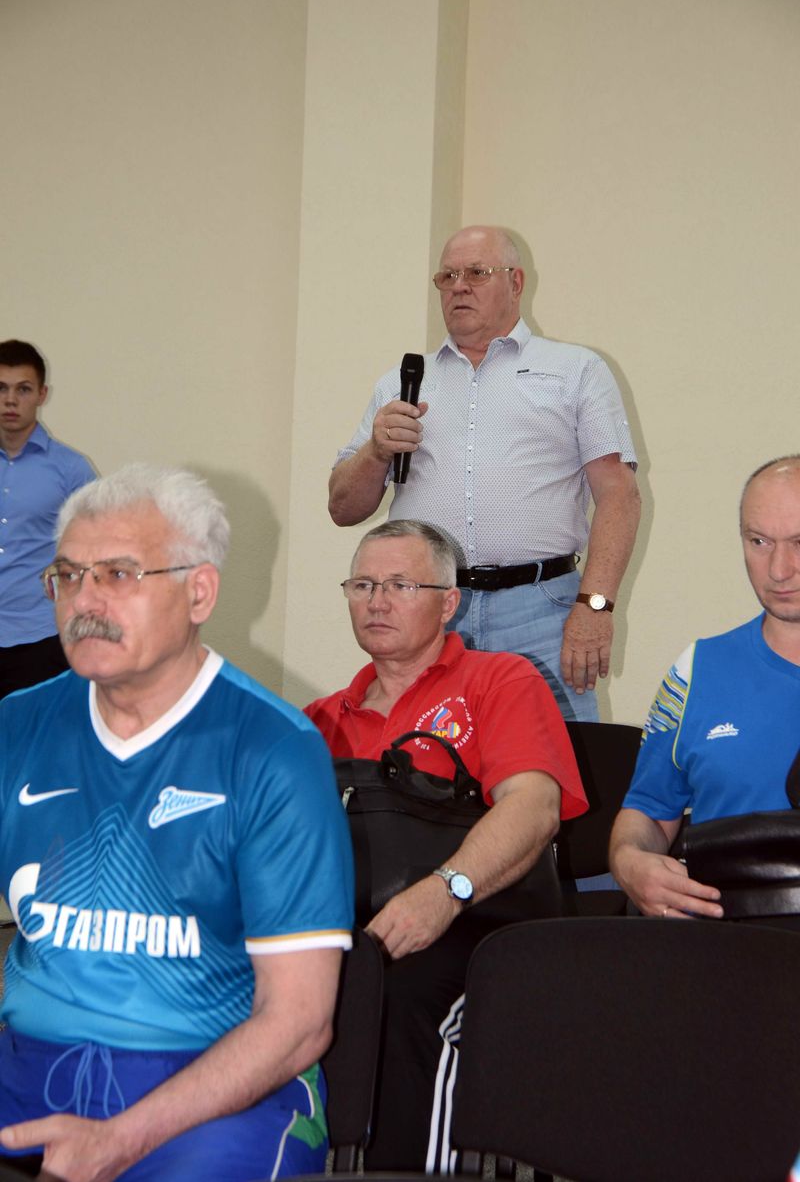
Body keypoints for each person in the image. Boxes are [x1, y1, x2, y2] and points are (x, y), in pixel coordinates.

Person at [0, 463, 354, 1182]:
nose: (84, 601)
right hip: (30, 1060)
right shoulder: (17, 724)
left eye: (118, 574)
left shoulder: (273, 751)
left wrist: (120, 1139)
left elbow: (297, 1023)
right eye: (67, 575)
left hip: (216, 1081)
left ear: (200, 592)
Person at [305, 519, 587, 1171]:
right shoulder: (317, 720)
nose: (377, 601)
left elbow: (534, 808)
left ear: (449, 602)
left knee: (397, 992)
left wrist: (445, 891)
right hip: (350, 933)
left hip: (477, 930)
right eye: (363, 585)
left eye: (401, 585)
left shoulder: (500, 679)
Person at [328, 225, 641, 721]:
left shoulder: (575, 371)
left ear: (515, 282)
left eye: (476, 273)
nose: (459, 287)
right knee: (427, 760)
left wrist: (595, 606)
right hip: (430, 612)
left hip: (542, 611)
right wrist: (375, 451)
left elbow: (620, 496)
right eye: (447, 277)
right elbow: (343, 508)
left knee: (554, 760)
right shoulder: (401, 384)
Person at [610, 455, 800, 920]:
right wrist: (629, 861)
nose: (779, 569)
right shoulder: (694, 671)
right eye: (759, 541)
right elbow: (650, 810)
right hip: (725, 936)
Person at [0, 339, 96, 701]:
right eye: (1, 388)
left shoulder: (72, 470)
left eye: (23, 389)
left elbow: (99, 548)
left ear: (42, 394)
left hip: (40, 638)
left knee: (36, 735)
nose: (11, 400)